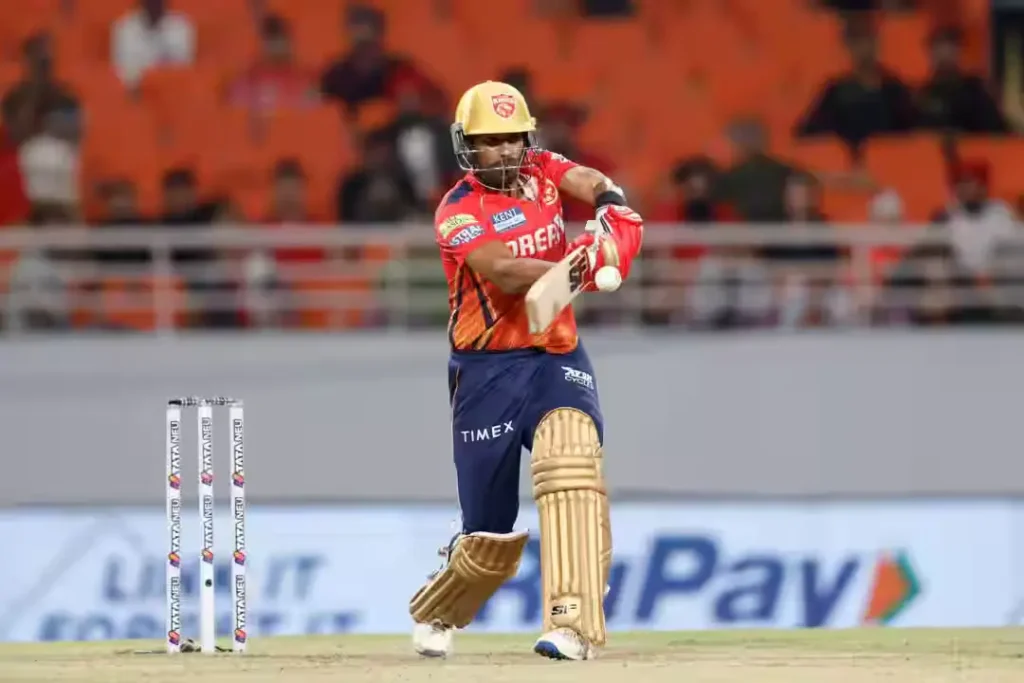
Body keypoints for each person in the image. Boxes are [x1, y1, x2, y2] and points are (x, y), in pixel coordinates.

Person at [407, 81, 643, 662]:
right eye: (490, 141)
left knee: (573, 467)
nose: (506, 150)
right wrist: (583, 262)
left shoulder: (540, 168)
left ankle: (572, 626)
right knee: (489, 539)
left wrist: (610, 206)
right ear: (468, 146)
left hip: (555, 355)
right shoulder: (457, 211)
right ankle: (441, 606)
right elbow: (508, 272)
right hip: (486, 371)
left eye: (513, 138)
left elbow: (588, 180)